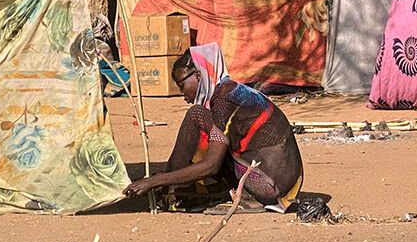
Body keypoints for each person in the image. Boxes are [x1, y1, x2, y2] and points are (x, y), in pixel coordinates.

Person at [124, 45, 304, 213]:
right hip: (279, 180)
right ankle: (173, 186)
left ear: (198, 75)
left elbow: (211, 166)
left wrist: (153, 181)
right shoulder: (228, 91)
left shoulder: (224, 100)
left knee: (198, 120)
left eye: (181, 85)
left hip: (268, 184)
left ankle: (176, 191)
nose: (182, 94)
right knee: (198, 117)